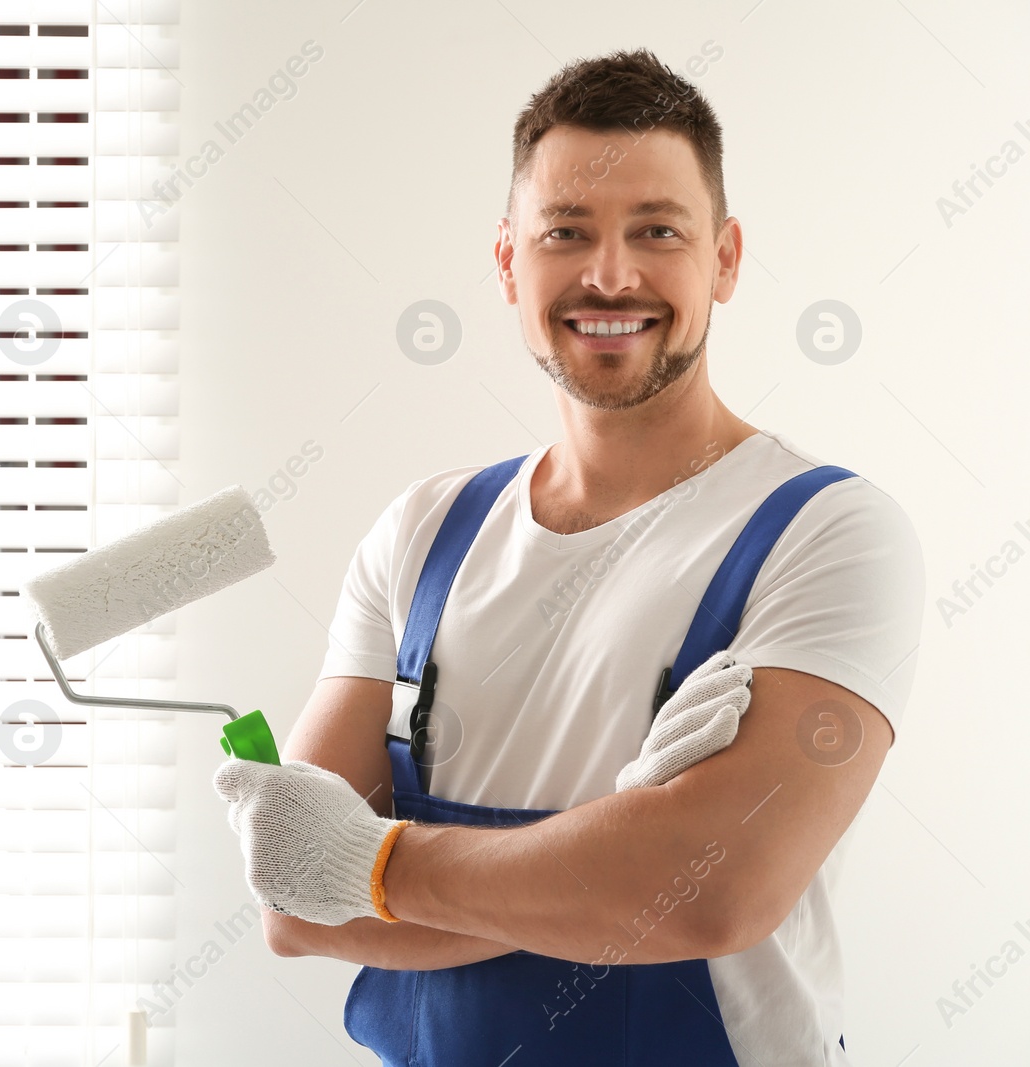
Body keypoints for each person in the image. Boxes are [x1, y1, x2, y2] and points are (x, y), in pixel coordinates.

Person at [214, 48, 925, 1065]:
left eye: (656, 231)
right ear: (507, 259)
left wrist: (368, 861)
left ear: (723, 258)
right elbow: (296, 903)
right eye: (566, 233)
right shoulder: (421, 532)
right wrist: (624, 848)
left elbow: (716, 891)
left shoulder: (829, 532)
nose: (609, 274)